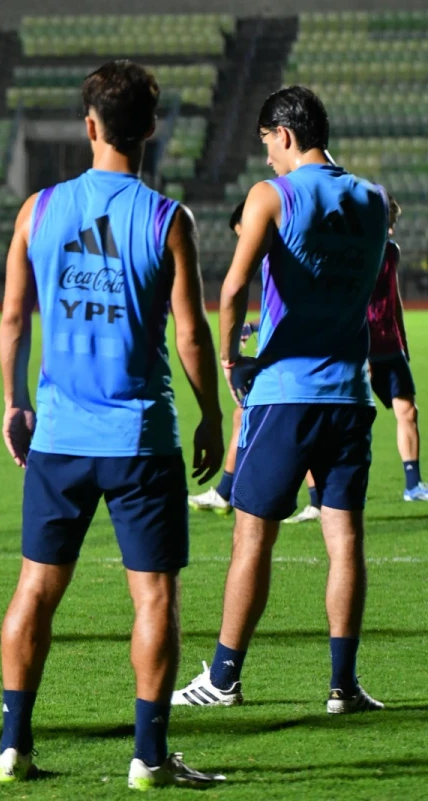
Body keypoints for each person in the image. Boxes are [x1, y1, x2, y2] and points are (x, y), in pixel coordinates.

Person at [0, 60, 225, 790]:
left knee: (35, 587)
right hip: (139, 438)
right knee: (155, 597)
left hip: (59, 436)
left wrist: (14, 401)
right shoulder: (167, 219)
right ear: (151, 130)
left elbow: (11, 319)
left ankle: (12, 745)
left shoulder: (38, 209)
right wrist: (214, 412)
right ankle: (148, 757)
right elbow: (191, 336)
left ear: (89, 126)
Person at [173, 87, 388, 714]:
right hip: (351, 395)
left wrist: (234, 359)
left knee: (252, 539)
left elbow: (234, 287)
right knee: (345, 542)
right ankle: (343, 686)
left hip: (286, 394)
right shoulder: (374, 200)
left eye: (267, 142)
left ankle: (223, 678)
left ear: (284, 134)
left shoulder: (275, 196)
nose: (266, 157)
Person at [189, 202, 256, 516]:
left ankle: (318, 500)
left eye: (242, 234)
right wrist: (256, 326)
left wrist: (229, 357)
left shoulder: (270, 255)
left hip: (286, 358)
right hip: (284, 353)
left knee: (288, 420)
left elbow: (233, 290)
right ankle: (225, 493)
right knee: (244, 417)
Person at [365, 197, 428, 502]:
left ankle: (413, 485)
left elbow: (394, 295)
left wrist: (402, 337)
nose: (391, 227)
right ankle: (325, 492)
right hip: (361, 347)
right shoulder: (355, 252)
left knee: (408, 411)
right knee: (350, 419)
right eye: (387, 219)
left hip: (390, 344)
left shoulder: (392, 251)